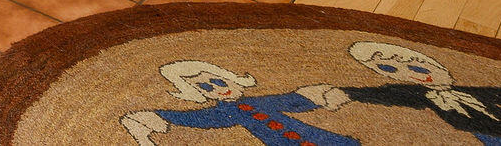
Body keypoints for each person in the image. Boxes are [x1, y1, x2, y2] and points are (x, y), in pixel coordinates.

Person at [322, 41, 501, 143]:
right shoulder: (419, 94)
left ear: (437, 65)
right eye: (388, 69)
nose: (414, 76)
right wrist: (347, 93)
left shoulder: (471, 90)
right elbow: (387, 94)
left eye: (419, 68)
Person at [119, 60, 358, 145]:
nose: (217, 89)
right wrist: (160, 116)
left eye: (217, 81)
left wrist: (317, 96)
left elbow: (291, 100)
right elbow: (198, 119)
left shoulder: (261, 101)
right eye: (204, 87)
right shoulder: (224, 113)